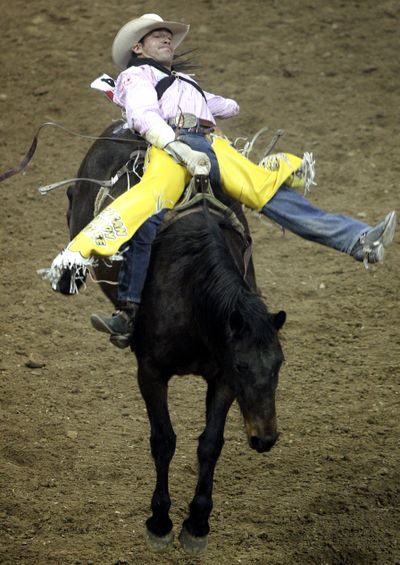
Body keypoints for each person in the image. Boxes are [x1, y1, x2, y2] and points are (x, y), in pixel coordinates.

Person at [46, 13, 396, 349]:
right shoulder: (135, 78)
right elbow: (142, 113)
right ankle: (79, 262)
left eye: (167, 33)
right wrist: (174, 145)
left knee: (268, 190)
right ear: (137, 49)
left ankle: (357, 240)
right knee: (145, 203)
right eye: (157, 34)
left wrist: (220, 105)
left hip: (214, 146)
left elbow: (223, 106)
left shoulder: (186, 82)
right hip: (172, 146)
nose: (166, 36)